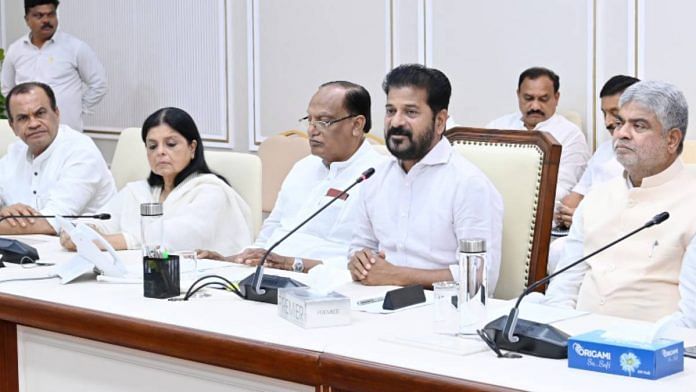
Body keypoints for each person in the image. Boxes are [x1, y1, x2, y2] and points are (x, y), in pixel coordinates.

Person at [545, 81, 696, 328]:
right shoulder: (596, 199)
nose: (621, 133)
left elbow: (691, 320)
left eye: (639, 125)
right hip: (576, 345)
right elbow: (562, 290)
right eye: (620, 123)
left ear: (672, 139)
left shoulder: (692, 203)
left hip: (658, 354)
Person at [198, 81, 386, 272]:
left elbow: (370, 263)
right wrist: (231, 260)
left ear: (357, 125)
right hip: (266, 275)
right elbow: (269, 235)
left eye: (323, 121)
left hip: (323, 285)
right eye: (309, 119)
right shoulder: (303, 167)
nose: (312, 129)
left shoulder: (379, 177)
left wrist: (293, 264)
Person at [348, 64, 503, 291]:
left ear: (440, 121)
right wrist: (358, 261)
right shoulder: (374, 176)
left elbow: (480, 277)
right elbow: (359, 247)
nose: (396, 122)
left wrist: (398, 276)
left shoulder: (468, 184)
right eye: (391, 111)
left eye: (410, 112)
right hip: (373, 305)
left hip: (440, 313)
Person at [60, 107, 252, 254]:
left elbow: (176, 238)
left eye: (171, 144)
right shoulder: (139, 191)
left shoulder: (211, 191)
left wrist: (107, 242)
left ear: (192, 148)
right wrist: (80, 231)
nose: (160, 152)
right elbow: (103, 220)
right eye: (152, 146)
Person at [547, 75, 640, 273]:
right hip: (580, 232)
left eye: (615, 113)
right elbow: (574, 198)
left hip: (619, 242)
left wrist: (587, 219)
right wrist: (573, 215)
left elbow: (638, 214)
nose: (607, 121)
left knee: (559, 251)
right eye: (604, 113)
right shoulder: (604, 150)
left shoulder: (648, 156)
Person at [0, 82, 115, 235]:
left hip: (87, 251)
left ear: (57, 113)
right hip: (29, 249)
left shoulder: (81, 151)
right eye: (23, 118)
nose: (33, 123)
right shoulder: (15, 152)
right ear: (13, 126)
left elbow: (51, 223)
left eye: (40, 113)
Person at [486, 67, 590, 204]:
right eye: (528, 98)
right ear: (518, 95)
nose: (535, 106)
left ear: (556, 98)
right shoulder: (497, 127)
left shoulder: (571, 135)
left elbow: (563, 189)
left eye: (543, 99)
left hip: (544, 213)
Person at [1, 0, 107, 131]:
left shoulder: (75, 47)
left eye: (51, 14)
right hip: (30, 132)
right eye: (39, 16)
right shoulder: (15, 50)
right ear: (27, 19)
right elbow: (8, 89)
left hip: (66, 130)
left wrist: (78, 108)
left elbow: (99, 84)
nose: (46, 20)